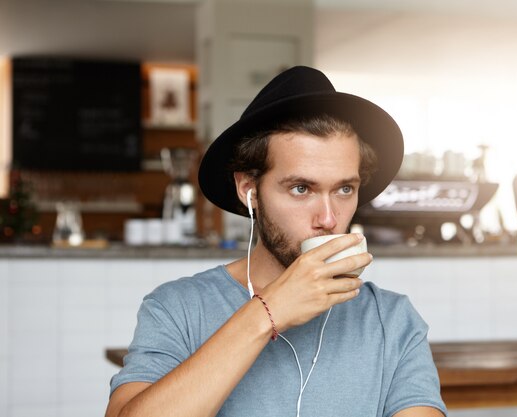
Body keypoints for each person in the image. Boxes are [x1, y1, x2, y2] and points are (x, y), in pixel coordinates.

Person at [105, 66, 446, 417]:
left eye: (345, 189)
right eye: (301, 189)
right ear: (249, 190)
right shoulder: (179, 308)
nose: (329, 219)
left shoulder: (391, 320)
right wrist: (267, 312)